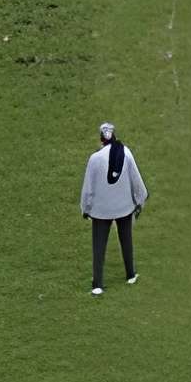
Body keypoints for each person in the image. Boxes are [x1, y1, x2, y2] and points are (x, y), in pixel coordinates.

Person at [81, 121, 145, 294]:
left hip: (101, 210)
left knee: (99, 247)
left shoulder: (95, 159)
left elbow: (88, 188)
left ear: (101, 139)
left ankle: (97, 285)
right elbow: (135, 178)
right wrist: (139, 200)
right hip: (124, 206)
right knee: (126, 240)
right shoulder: (126, 152)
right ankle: (130, 275)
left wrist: (86, 208)